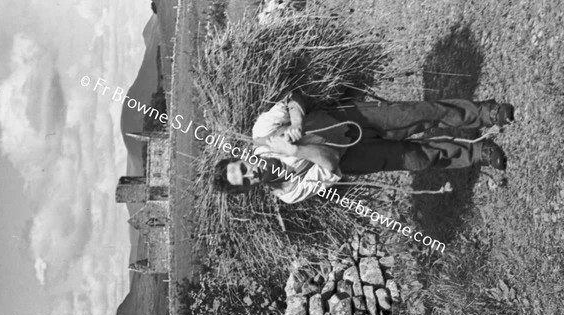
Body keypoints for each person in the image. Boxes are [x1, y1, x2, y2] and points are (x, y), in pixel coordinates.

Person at [213, 91, 514, 204]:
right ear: (248, 190)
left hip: (349, 118)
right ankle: (479, 152)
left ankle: (485, 113)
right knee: (419, 158)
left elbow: (296, 99)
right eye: (246, 181)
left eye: (243, 168)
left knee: (419, 114)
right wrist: (296, 151)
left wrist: (295, 125)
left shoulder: (261, 133)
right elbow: (330, 164)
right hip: (354, 158)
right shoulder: (289, 192)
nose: (252, 173)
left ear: (240, 160)